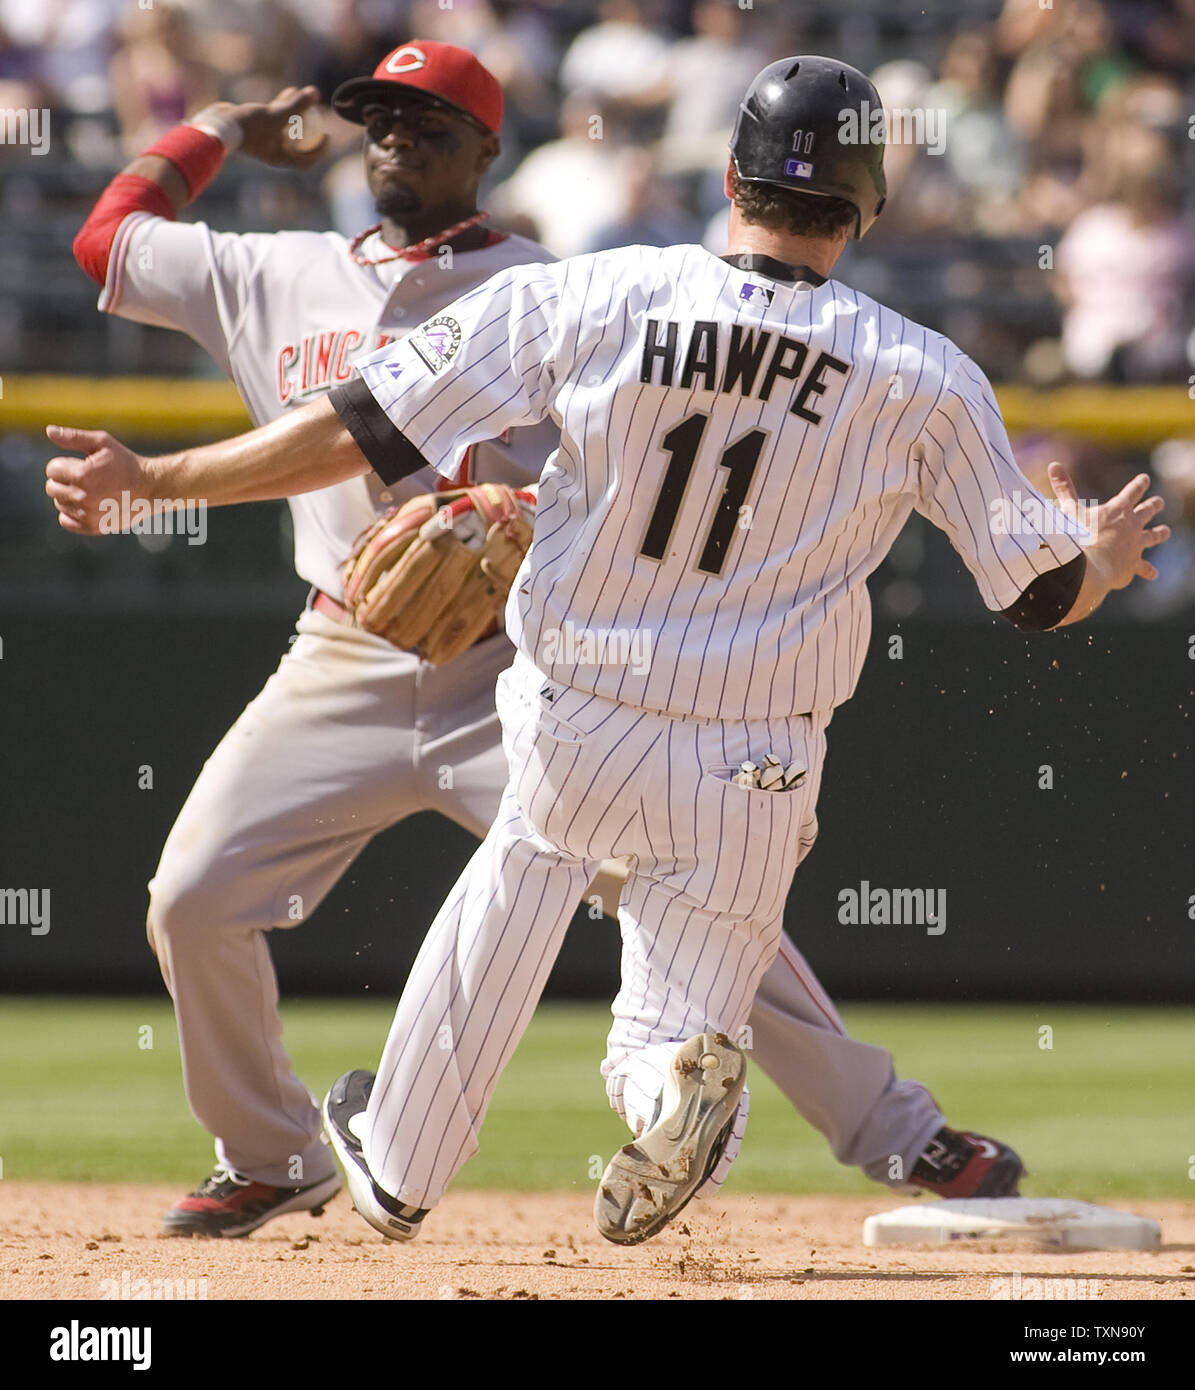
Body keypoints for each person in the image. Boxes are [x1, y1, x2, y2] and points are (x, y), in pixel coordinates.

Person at [50, 55, 1123, 1242]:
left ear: (728, 175)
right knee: (678, 1001)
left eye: (426, 122)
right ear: (867, 204)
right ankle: (662, 1096)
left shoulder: (597, 291)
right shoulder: (925, 369)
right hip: (754, 749)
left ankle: (402, 1164)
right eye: (384, 123)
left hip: (579, 697)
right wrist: (1102, 558)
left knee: (520, 881)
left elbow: (361, 424)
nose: (396, 139)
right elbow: (1039, 594)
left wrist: (156, 477)